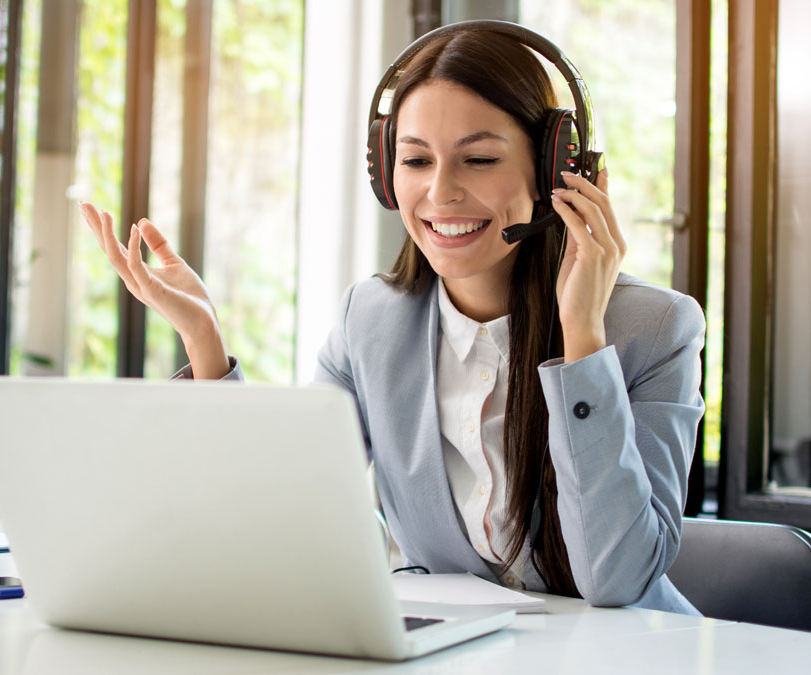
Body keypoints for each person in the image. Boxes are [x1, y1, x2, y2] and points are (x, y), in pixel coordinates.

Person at [80, 22, 704, 614]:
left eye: (478, 159)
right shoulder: (370, 322)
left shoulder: (656, 331)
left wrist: (584, 341)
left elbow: (616, 580)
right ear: (386, 171)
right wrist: (203, 339)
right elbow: (281, 517)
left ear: (553, 171)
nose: (440, 193)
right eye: (416, 160)